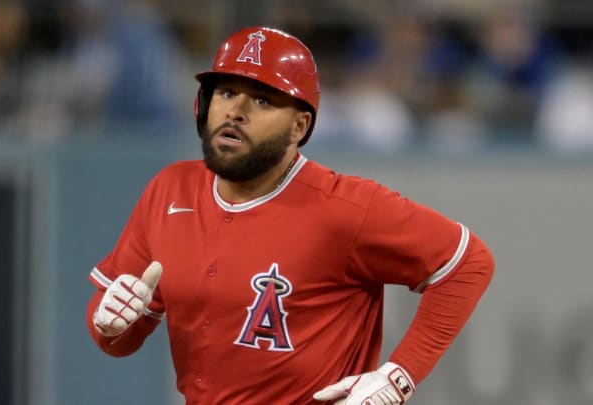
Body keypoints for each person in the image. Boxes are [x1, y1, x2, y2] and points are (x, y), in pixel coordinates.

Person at [86, 26, 494, 404]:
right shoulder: (169, 190)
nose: (236, 111)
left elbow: (467, 263)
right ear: (204, 104)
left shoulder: (345, 207)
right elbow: (120, 341)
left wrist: (399, 375)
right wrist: (110, 325)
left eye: (262, 100)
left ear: (299, 126)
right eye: (226, 92)